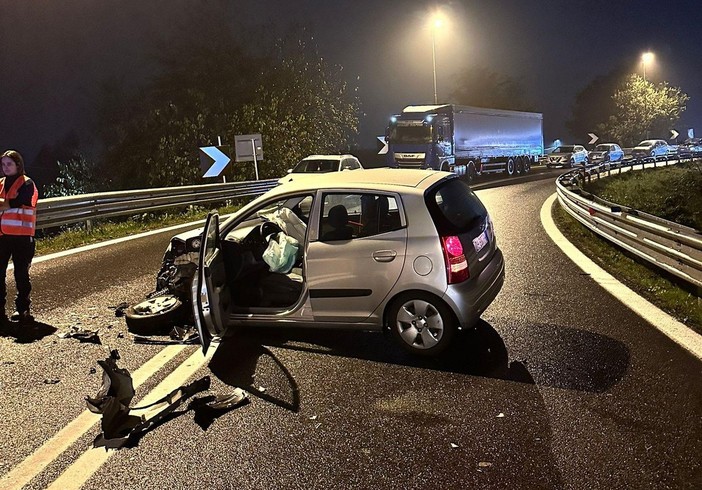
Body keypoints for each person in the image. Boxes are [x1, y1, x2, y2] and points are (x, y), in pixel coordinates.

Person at [0, 150, 39, 327]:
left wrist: (3, 205)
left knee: (20, 274)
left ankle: (23, 309)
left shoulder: (27, 183)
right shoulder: (0, 183)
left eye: (9, 164)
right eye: (3, 164)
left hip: (22, 237)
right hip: (2, 236)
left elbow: (17, 203)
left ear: (18, 165)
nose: (6, 167)